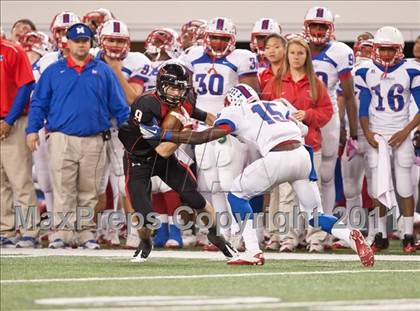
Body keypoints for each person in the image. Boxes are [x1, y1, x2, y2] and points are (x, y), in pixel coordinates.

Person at [140, 83, 375, 267]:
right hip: (303, 156)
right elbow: (303, 130)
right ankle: (350, 235)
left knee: (235, 194)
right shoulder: (279, 104)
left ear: (232, 101)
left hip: (277, 157)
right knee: (314, 216)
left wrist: (166, 136)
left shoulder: (236, 110)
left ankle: (252, 251)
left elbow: (205, 137)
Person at [118, 60, 238, 262]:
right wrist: (185, 131)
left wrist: (226, 121)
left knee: (197, 200)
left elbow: (205, 115)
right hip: (139, 159)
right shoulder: (146, 104)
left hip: (165, 159)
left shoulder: (185, 99)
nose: (176, 93)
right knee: (146, 217)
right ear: (161, 84)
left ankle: (217, 236)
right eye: (172, 88)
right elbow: (163, 150)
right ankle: (145, 242)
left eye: (180, 88)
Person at [26, 23, 130, 249]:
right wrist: (32, 129)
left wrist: (131, 131)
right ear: (68, 43)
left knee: (89, 190)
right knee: (63, 189)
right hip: (62, 137)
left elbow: (119, 106)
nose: (81, 44)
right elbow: (39, 103)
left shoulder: (103, 71)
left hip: (95, 138)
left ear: (90, 43)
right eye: (77, 40)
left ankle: (85, 234)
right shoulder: (54, 71)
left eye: (85, 40)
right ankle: (63, 234)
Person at [180, 17, 260, 247]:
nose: (216, 42)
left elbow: (250, 95)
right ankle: (222, 232)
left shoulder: (242, 58)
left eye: (222, 38)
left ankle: (240, 232)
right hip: (203, 127)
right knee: (207, 183)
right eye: (213, 37)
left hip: (230, 127)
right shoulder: (193, 56)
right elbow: (185, 92)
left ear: (232, 40)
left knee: (229, 182)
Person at [262, 37, 333, 252]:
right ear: (287, 55)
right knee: (286, 192)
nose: (296, 57)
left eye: (300, 53)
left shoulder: (315, 83)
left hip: (311, 146)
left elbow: (327, 111)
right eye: (292, 53)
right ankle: (288, 237)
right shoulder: (275, 83)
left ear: (306, 56)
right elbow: (264, 111)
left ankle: (315, 237)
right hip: (285, 147)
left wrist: (308, 114)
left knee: (313, 192)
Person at [357, 26, 420, 253]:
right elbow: (363, 108)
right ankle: (380, 234)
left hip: (401, 131)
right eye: (381, 49)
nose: (384, 54)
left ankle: (407, 235)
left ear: (399, 50)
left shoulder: (411, 70)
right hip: (377, 133)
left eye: (389, 50)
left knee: (404, 182)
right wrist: (368, 133)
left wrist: (406, 131)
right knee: (377, 184)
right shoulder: (365, 71)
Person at [95, 19, 151, 248]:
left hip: (125, 129)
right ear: (101, 41)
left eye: (120, 41)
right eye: (111, 40)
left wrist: (116, 70)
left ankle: (135, 234)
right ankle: (97, 231)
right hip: (96, 128)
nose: (116, 45)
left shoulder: (138, 61)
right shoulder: (89, 57)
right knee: (94, 185)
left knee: (124, 185)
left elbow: (132, 98)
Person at [303, 7, 359, 218]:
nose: (318, 30)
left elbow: (349, 95)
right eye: (314, 25)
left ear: (330, 28)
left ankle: (325, 226)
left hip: (327, 117)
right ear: (306, 26)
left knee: (325, 174)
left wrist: (352, 130)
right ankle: (299, 226)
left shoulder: (340, 52)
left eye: (322, 26)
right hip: (301, 116)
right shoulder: (297, 48)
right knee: (300, 175)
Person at [0, 36, 39, 248]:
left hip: (13, 122)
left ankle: (29, 230)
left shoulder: (12, 50)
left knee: (21, 181)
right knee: (0, 184)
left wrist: (9, 120)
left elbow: (26, 86)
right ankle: (5, 229)